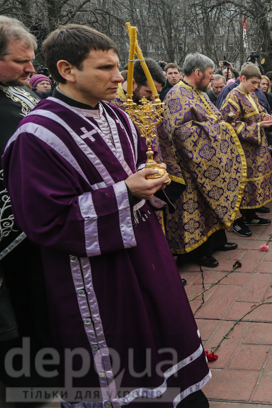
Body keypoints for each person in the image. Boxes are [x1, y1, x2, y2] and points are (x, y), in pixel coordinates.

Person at [3, 24, 211, 406]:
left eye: (117, 66)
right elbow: (43, 220)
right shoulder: (36, 135)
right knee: (120, 362)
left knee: (165, 337)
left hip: (146, 252)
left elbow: (139, 166)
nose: (119, 77)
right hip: (94, 275)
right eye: (105, 69)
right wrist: (126, 191)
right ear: (67, 70)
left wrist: (155, 180)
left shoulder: (118, 117)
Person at [0, 17, 53, 389]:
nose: (31, 69)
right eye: (21, 61)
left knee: (39, 301)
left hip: (34, 221)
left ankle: (40, 374)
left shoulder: (18, 90)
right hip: (9, 230)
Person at [162, 53, 244, 268]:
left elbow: (211, 117)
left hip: (205, 163)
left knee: (208, 206)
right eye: (209, 75)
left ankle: (215, 243)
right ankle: (195, 253)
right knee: (194, 210)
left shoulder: (198, 92)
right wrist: (217, 129)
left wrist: (222, 122)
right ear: (197, 73)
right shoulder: (176, 94)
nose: (211, 79)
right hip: (188, 167)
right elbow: (180, 133)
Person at [220, 64, 272, 236]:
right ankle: (237, 221)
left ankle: (251, 214)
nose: (256, 87)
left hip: (255, 149)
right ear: (242, 78)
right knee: (240, 185)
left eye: (258, 84)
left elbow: (259, 111)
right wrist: (259, 125)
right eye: (253, 83)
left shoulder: (251, 94)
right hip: (240, 151)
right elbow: (229, 125)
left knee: (253, 183)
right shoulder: (232, 97)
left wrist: (265, 117)